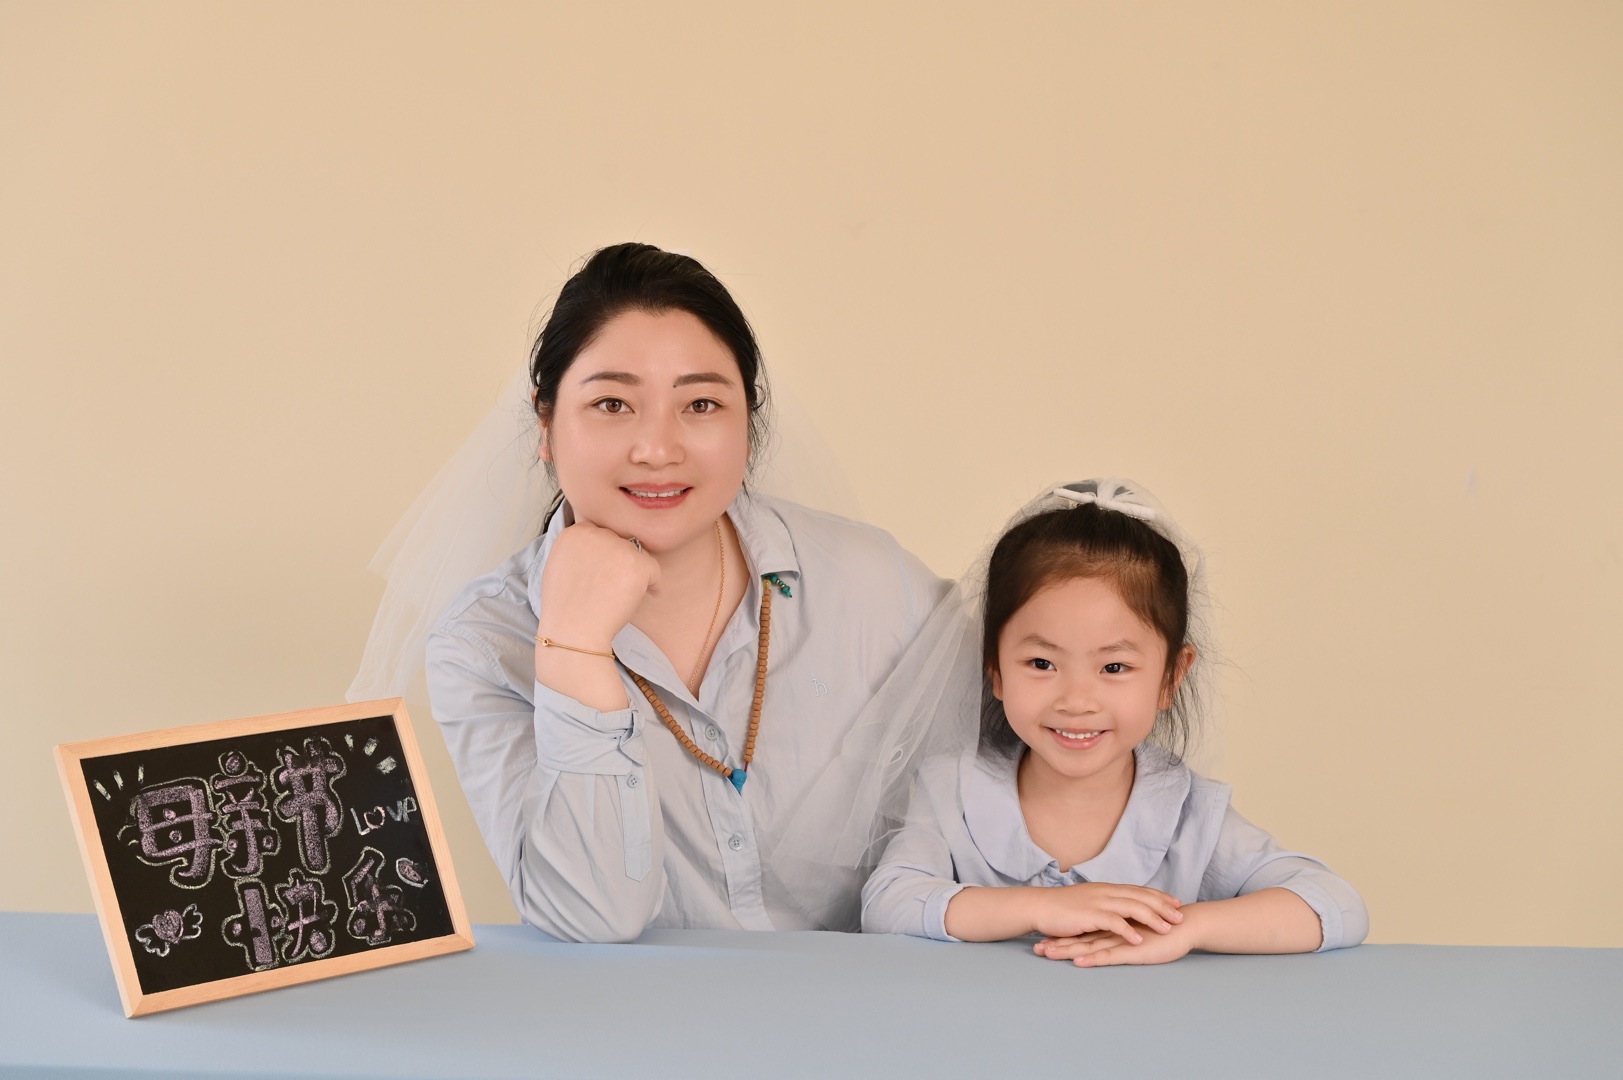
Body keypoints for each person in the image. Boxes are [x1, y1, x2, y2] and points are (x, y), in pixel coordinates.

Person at [415, 243, 950, 942]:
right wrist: (574, 647)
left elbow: (1022, 784)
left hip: (872, 1004)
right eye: (612, 404)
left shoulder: (876, 582)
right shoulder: (483, 644)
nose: (658, 449)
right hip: (629, 1011)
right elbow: (591, 915)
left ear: (748, 424)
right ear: (545, 426)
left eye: (701, 404)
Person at [860, 479, 1367, 964]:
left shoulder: (1190, 814)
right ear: (995, 668)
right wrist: (1040, 908)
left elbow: (1337, 906)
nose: (1077, 701)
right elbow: (887, 904)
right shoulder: (954, 789)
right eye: (1041, 663)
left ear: (1171, 677)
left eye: (1115, 668)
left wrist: (1187, 928)